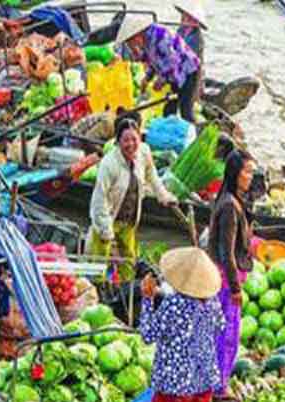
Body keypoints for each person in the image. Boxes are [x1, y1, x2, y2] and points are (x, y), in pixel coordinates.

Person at [138, 247, 224, 402]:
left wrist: (147, 300)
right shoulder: (211, 301)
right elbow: (220, 325)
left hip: (176, 382)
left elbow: (148, 334)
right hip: (203, 379)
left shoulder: (175, 304)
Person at [88, 116, 177, 264]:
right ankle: (98, 285)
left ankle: (126, 285)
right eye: (126, 140)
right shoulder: (109, 164)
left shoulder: (144, 152)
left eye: (134, 139)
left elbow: (151, 175)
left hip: (129, 218)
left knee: (129, 259)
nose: (131, 144)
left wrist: (163, 195)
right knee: (100, 261)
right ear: (118, 141)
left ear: (140, 138)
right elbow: (100, 198)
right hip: (109, 216)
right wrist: (105, 229)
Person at [205, 151, 255, 394]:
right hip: (225, 282)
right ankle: (218, 385)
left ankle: (216, 380)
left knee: (222, 331)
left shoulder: (230, 200)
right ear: (235, 173)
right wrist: (235, 288)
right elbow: (227, 252)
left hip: (225, 278)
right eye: (247, 172)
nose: (250, 177)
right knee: (226, 335)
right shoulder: (228, 206)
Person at [116, 12, 201, 122]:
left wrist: (162, 80)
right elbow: (154, 62)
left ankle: (194, 134)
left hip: (188, 70)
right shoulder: (146, 42)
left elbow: (173, 60)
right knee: (168, 111)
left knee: (186, 111)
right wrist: (147, 79)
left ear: (137, 36)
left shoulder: (159, 35)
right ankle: (170, 133)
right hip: (174, 76)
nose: (132, 46)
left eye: (131, 42)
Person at [175, 0, 206, 120]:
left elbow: (187, 59)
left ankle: (191, 129)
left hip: (191, 75)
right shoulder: (181, 31)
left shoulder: (196, 38)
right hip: (180, 74)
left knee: (186, 109)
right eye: (184, 15)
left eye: (188, 17)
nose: (184, 19)